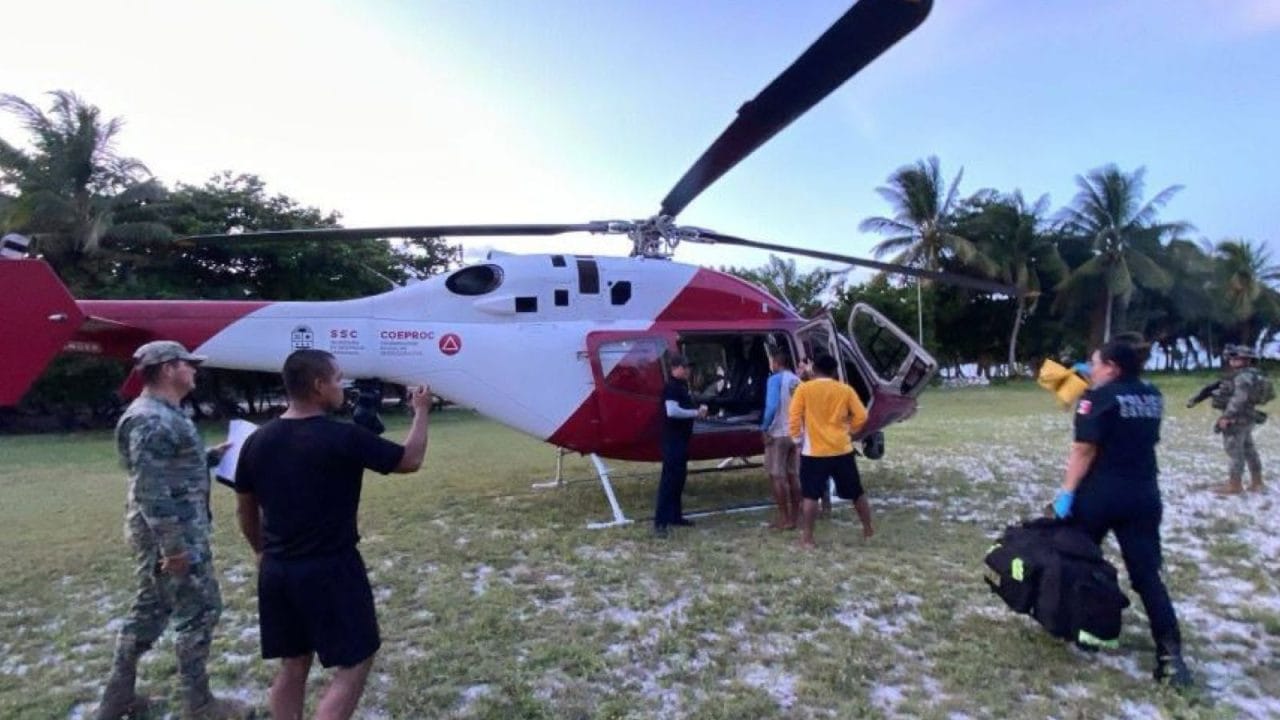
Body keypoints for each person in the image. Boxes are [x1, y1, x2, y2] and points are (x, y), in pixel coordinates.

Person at [234, 349, 430, 720]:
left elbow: (245, 510)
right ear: (319, 386)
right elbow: (410, 459)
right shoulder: (343, 438)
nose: (343, 386)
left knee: (292, 665)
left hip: (276, 571)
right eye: (338, 379)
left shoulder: (256, 441)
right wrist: (421, 411)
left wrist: (261, 551)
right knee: (355, 663)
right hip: (330, 569)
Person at [93, 341, 250, 720]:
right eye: (188, 364)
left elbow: (169, 469)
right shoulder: (150, 418)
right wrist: (174, 549)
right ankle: (199, 704)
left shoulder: (163, 414)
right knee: (200, 610)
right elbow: (150, 489)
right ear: (167, 369)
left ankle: (116, 700)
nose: (194, 370)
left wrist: (214, 455)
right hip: (172, 536)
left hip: (174, 532)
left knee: (149, 612)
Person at [1049, 339, 1192, 688]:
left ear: (1111, 366)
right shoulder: (1152, 394)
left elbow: (1084, 450)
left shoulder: (1095, 398)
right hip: (1143, 493)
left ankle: (1087, 630)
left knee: (1082, 561)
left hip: (1101, 493)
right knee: (1147, 576)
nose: (1089, 368)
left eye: (1094, 363)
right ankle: (1170, 655)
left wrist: (1066, 493)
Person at [787, 354, 871, 548]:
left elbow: (794, 416)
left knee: (810, 495)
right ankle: (867, 528)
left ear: (814, 370)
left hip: (814, 452)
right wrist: (850, 430)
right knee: (857, 492)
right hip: (841, 449)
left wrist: (797, 439)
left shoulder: (804, 389)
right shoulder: (845, 390)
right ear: (834, 372)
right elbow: (862, 415)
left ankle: (807, 538)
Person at [654, 353, 707, 536]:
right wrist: (695, 413)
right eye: (685, 367)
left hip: (681, 440)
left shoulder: (681, 386)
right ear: (675, 368)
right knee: (669, 481)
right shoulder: (671, 387)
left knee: (679, 479)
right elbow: (672, 411)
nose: (688, 370)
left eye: (688, 367)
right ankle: (660, 522)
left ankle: (675, 516)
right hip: (673, 441)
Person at [1211, 344, 1267, 495]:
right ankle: (1257, 482)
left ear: (1244, 360)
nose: (1231, 360)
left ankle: (1234, 485)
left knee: (1235, 452)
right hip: (1248, 417)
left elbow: (1238, 399)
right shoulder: (1255, 375)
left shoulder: (1242, 377)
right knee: (1249, 450)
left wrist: (1226, 416)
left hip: (1236, 419)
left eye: (1235, 358)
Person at [760, 349, 802, 529]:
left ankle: (784, 519)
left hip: (778, 433)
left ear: (776, 363)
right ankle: (796, 516)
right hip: (796, 433)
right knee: (794, 475)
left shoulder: (775, 380)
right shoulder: (797, 380)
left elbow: (771, 406)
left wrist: (764, 428)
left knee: (777, 476)